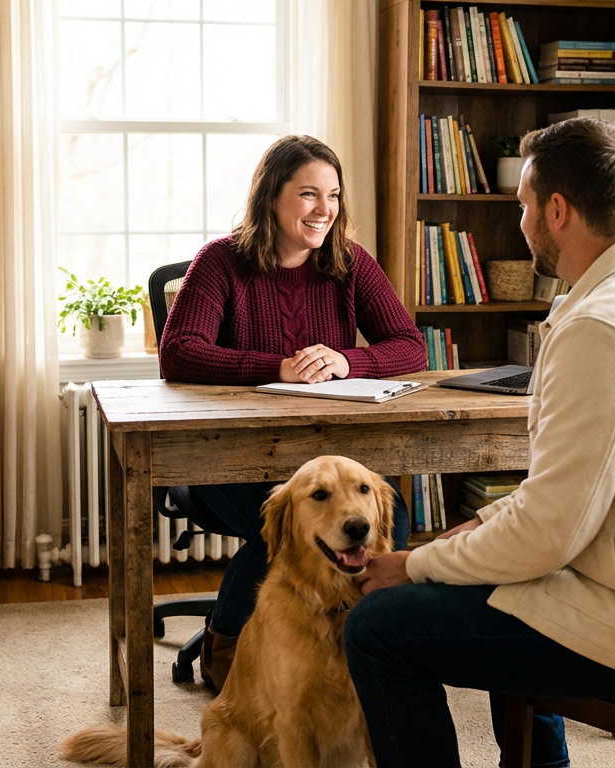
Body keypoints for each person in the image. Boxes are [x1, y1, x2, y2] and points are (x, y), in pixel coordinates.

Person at [345, 117, 615, 767]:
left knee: (377, 630)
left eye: (522, 207)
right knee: (498, 582)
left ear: (558, 210)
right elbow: (569, 495)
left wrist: (412, 564)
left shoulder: (605, 325)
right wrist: (464, 535)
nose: (520, 223)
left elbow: (548, 537)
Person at [159, 134, 427, 690]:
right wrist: (277, 367)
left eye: (332, 195)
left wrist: (348, 361)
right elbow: (179, 351)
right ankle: (225, 648)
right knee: (279, 523)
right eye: (308, 194)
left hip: (321, 460)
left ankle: (360, 643)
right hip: (223, 460)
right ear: (271, 198)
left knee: (392, 516)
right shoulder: (221, 261)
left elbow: (409, 345)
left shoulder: (350, 264)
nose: (324, 209)